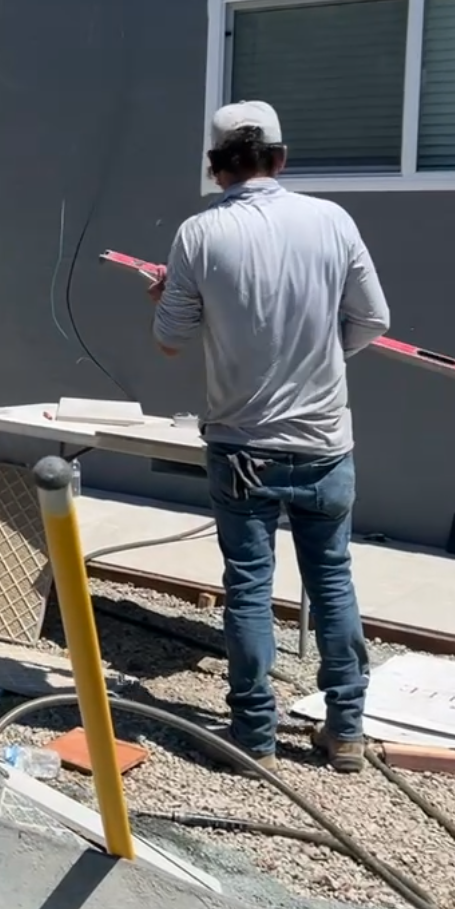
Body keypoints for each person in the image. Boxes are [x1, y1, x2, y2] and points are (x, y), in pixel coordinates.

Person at [150, 99, 389, 774]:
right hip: (324, 441)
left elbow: (170, 340)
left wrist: (166, 301)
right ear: (281, 160)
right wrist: (320, 355)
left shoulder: (199, 235)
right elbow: (374, 319)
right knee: (333, 581)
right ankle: (345, 732)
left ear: (215, 168)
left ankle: (253, 735)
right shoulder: (331, 221)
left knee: (250, 587)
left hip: (242, 444)